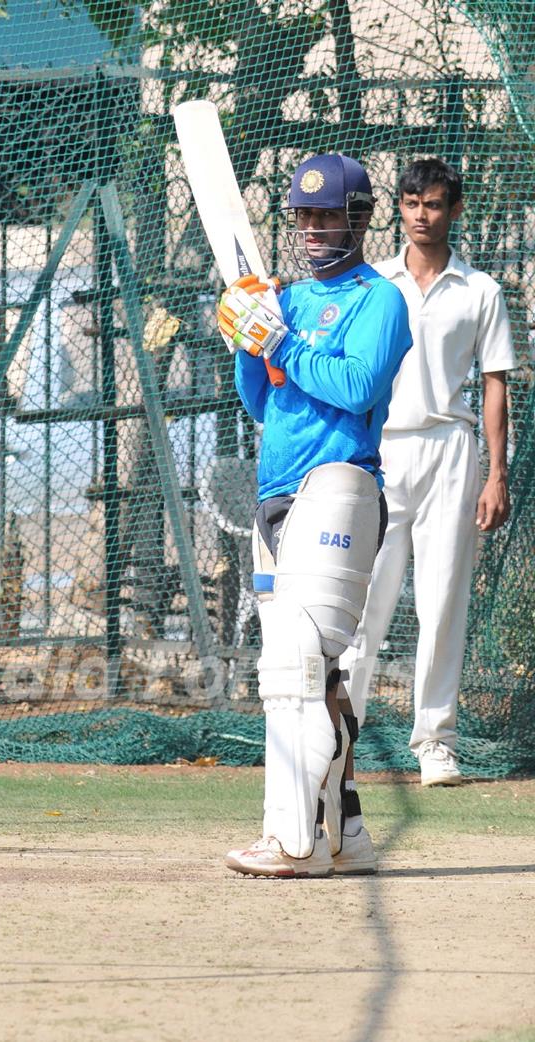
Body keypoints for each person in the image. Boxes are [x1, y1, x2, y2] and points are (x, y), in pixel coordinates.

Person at [216, 153, 412, 878]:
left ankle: (293, 841)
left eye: (329, 215)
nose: (314, 230)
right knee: (317, 676)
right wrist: (247, 335)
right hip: (277, 497)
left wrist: (283, 343)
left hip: (338, 488)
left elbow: (357, 385)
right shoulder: (291, 299)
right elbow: (264, 402)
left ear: (361, 218)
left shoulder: (379, 301)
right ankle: (349, 833)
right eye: (304, 217)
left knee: (297, 668)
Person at [339, 158, 516, 787]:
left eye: (435, 204)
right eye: (412, 203)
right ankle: (341, 736)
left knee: (444, 600)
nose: (422, 215)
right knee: (362, 600)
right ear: (400, 208)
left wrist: (496, 475)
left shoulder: (481, 291)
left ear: (453, 210)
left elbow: (495, 385)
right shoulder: (373, 283)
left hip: (450, 448)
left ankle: (435, 742)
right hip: (381, 451)